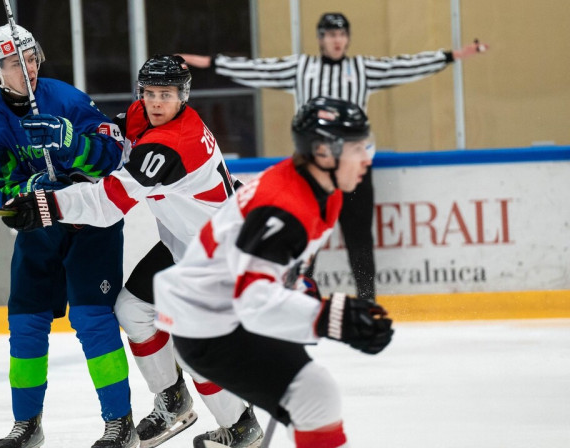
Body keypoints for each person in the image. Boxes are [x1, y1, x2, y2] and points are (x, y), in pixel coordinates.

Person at [1, 54, 264, 448]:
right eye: (150, 93)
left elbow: (110, 201)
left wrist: (47, 205)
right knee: (133, 310)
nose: (156, 102)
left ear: (183, 97)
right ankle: (173, 401)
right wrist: (73, 137)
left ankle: (242, 427)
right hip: (187, 247)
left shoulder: (174, 143)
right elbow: (114, 139)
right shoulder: (147, 116)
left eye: (167, 94)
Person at [179, 12, 490, 302]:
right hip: (312, 168)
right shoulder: (301, 68)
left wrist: (453, 55)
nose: (336, 39)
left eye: (341, 33)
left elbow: (404, 65)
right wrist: (201, 62)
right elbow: (255, 68)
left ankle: (367, 300)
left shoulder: (363, 69)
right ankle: (297, 298)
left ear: (348, 38)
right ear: (320, 38)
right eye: (329, 34)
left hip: (354, 167)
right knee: (303, 233)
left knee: (359, 237)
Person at [152, 97, 395, 448]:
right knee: (313, 393)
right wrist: (328, 317)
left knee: (313, 394)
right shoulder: (283, 208)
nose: (367, 156)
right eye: (358, 147)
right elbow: (253, 297)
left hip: (225, 309)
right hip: (209, 324)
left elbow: (275, 269)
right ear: (324, 152)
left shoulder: (324, 190)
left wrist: (300, 294)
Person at [0, 24, 137, 448]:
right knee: (24, 324)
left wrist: (72, 143)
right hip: (42, 228)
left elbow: (112, 157)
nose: (28, 69)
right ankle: (28, 424)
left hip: (90, 225)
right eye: (14, 63)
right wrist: (23, 196)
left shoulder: (68, 99)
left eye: (31, 57)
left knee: (92, 319)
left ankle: (120, 423)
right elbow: (3, 188)